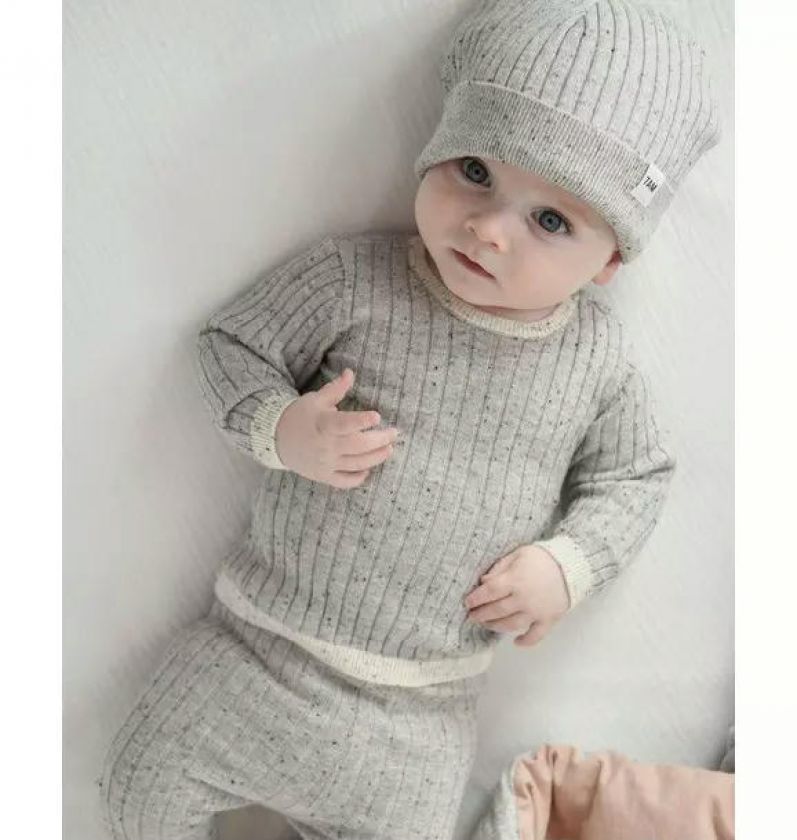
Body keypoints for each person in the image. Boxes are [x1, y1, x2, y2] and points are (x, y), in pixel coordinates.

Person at [98, 1, 722, 838]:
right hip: (256, 652)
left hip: (419, 719)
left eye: (549, 220)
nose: (487, 229)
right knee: (140, 783)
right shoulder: (353, 280)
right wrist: (282, 428)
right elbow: (233, 342)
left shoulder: (594, 361)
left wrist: (567, 564)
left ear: (609, 259)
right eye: (474, 170)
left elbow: (634, 474)